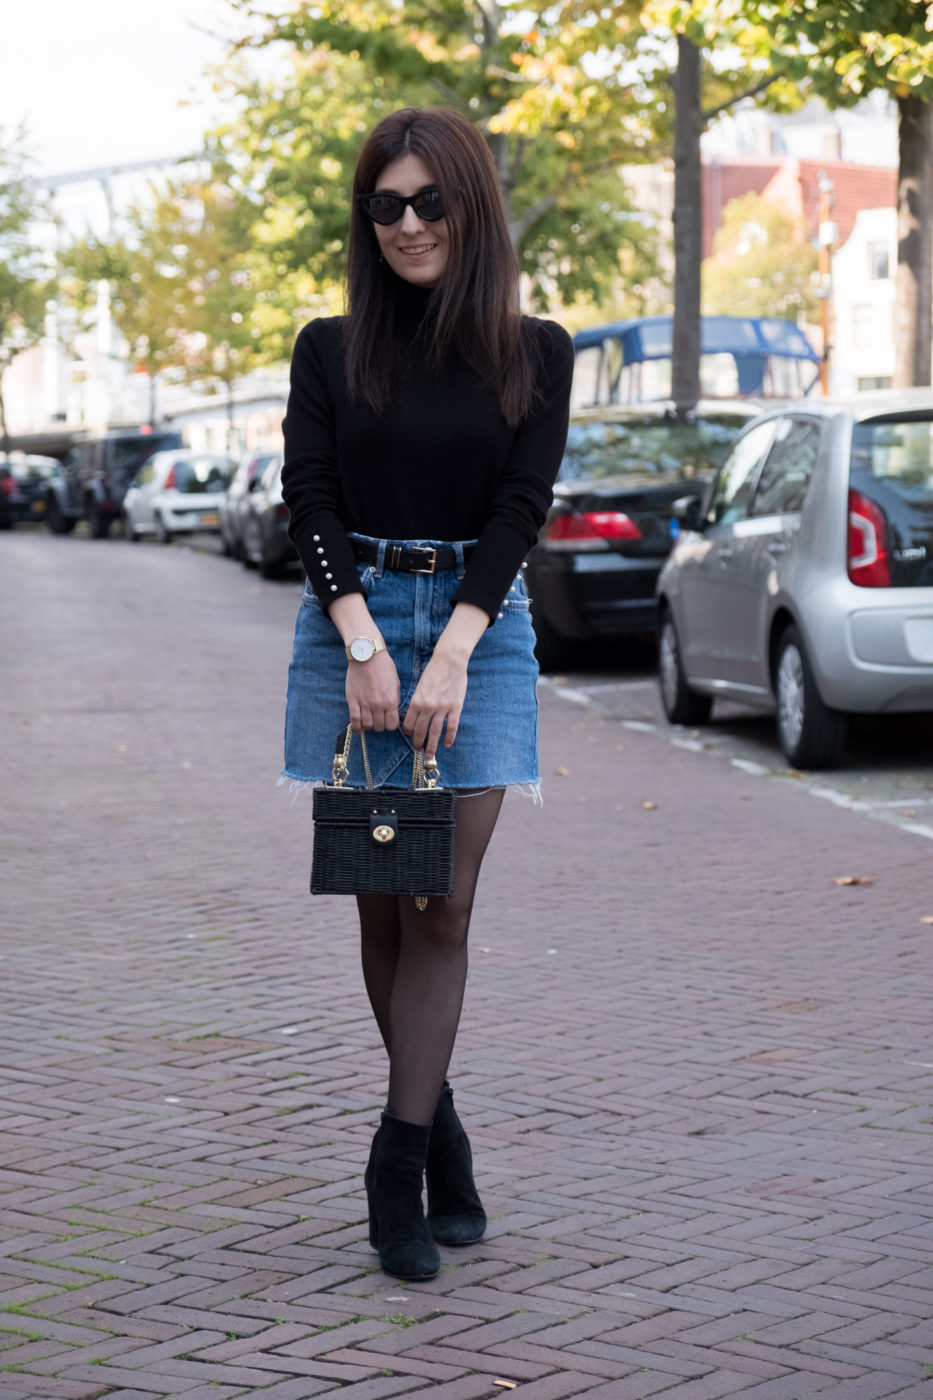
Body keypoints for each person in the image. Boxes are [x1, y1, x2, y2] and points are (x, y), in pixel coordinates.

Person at [280, 106, 574, 1281]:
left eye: (428, 201)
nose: (406, 223)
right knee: (381, 900)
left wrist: (452, 645)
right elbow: (308, 499)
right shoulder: (328, 346)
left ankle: (393, 1155)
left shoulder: (536, 350)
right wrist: (360, 641)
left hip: (479, 632)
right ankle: (440, 1128)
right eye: (386, 205)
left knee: (441, 900)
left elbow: (520, 505)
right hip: (348, 626)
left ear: (471, 205)